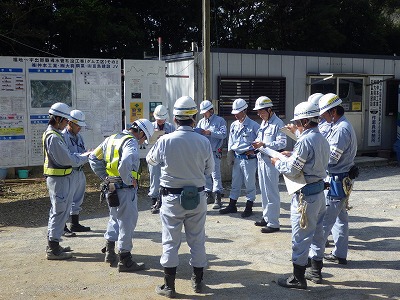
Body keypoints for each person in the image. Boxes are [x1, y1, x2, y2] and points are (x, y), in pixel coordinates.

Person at [146, 96, 214, 298]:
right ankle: (198, 282)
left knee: (170, 241)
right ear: (194, 118)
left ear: (175, 119)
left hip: (172, 199)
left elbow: (151, 160)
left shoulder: (165, 140)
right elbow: (209, 169)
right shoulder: (203, 141)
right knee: (197, 240)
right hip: (197, 197)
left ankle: (170, 286)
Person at [271, 101, 329, 289]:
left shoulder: (305, 140)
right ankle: (316, 270)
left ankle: (298, 277)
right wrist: (292, 154)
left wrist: (277, 162)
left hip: (306, 196)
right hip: (319, 193)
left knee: (301, 236)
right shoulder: (321, 137)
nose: (295, 126)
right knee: (318, 234)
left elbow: (294, 170)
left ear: (304, 121)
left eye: (297, 123)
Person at [89, 119, 154, 272]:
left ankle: (110, 251)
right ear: (141, 133)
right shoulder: (131, 142)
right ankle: (125, 259)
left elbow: (93, 158)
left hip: (110, 187)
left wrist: (105, 176)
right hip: (124, 189)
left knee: (114, 217)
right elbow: (125, 161)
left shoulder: (111, 138)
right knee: (127, 222)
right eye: (145, 138)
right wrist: (128, 180)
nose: (143, 142)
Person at [43, 102, 90, 260]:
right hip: (59, 179)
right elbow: (68, 159)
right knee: (59, 211)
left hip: (61, 178)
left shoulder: (56, 135)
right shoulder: (54, 137)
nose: (65, 123)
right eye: (64, 120)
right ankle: (53, 248)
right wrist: (85, 157)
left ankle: (54, 244)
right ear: (57, 119)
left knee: (58, 210)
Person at [318, 93, 357, 266]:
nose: (323, 118)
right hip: (342, 179)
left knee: (325, 221)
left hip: (336, 179)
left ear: (333, 111)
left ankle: (313, 260)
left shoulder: (341, 129)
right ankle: (340, 254)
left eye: (325, 114)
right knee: (341, 219)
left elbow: (332, 158)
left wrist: (314, 160)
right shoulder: (340, 125)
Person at [219, 98, 260, 218]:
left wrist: (254, 151)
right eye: (235, 113)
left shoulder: (254, 126)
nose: (235, 116)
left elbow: (261, 143)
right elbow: (231, 140)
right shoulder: (233, 125)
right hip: (237, 158)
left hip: (249, 159)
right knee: (235, 182)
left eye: (237, 113)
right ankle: (232, 205)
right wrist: (230, 154)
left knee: (249, 184)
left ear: (244, 111)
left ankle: (249, 206)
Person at [251, 96, 287, 233]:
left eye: (262, 111)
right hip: (261, 159)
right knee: (264, 191)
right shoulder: (264, 123)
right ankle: (266, 218)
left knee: (271, 192)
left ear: (269, 109)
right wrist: (256, 143)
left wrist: (264, 144)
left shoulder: (278, 123)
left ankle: (273, 223)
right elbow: (260, 139)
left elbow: (282, 143)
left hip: (271, 161)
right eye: (258, 112)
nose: (259, 114)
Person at [62, 109, 91, 236]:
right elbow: (68, 156)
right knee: (65, 200)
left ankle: (75, 224)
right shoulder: (63, 136)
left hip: (79, 171)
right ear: (70, 123)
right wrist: (83, 155)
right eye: (78, 125)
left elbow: (81, 151)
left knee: (78, 199)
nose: (80, 128)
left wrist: (88, 153)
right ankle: (61, 227)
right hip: (69, 172)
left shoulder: (79, 137)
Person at [195, 100, 227, 209]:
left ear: (211, 110)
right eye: (203, 112)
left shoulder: (220, 121)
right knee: (205, 174)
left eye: (206, 112)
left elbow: (223, 134)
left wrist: (210, 133)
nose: (204, 114)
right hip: (203, 152)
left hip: (214, 151)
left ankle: (218, 195)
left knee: (215, 174)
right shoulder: (201, 122)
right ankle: (209, 194)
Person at [148, 105, 175, 214]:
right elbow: (146, 142)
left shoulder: (171, 127)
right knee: (154, 178)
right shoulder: (150, 126)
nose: (160, 122)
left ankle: (165, 202)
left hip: (166, 156)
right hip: (154, 155)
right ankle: (154, 201)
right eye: (158, 119)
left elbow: (174, 141)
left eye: (162, 119)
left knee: (167, 178)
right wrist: (153, 137)